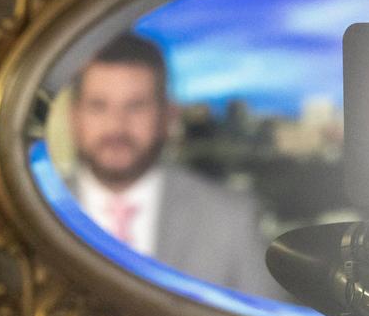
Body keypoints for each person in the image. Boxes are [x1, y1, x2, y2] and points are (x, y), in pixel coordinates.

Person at [68, 33, 276, 296]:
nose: (116, 126)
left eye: (136, 106)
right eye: (98, 106)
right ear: (73, 117)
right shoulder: (31, 216)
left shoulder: (232, 220)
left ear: (168, 115)